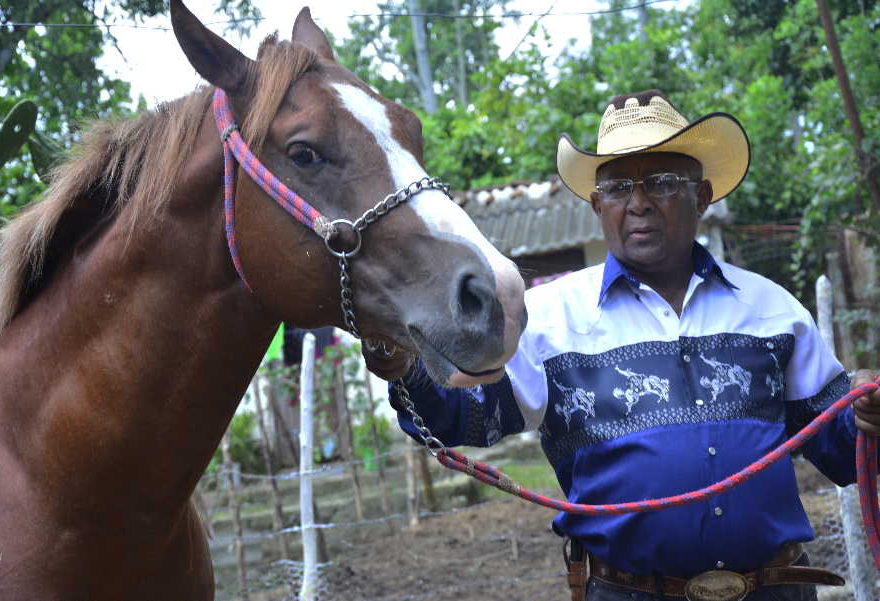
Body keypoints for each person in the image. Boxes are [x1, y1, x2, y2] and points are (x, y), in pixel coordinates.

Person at [363, 89, 880, 601]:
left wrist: (864, 411)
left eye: (661, 181)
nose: (638, 202)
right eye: (617, 187)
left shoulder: (773, 309)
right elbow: (465, 416)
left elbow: (839, 447)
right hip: (626, 593)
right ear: (596, 205)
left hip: (774, 590)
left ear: (701, 196)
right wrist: (401, 362)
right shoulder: (548, 319)